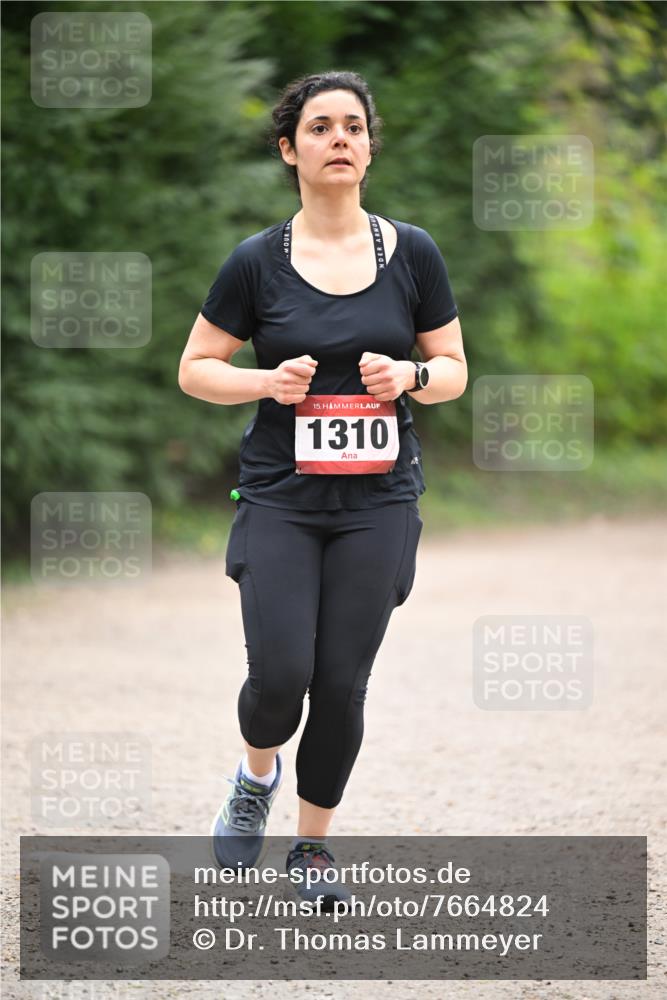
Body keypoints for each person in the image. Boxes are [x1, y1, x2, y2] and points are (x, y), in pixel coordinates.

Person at [178, 70, 466, 904]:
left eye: (351, 126)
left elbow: (451, 369)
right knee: (278, 681)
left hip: (377, 501)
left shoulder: (411, 252)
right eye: (318, 128)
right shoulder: (255, 262)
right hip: (280, 496)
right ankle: (253, 774)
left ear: (369, 147)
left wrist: (409, 374)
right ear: (288, 150)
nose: (337, 138)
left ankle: (310, 849)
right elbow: (196, 370)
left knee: (340, 682)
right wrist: (265, 382)